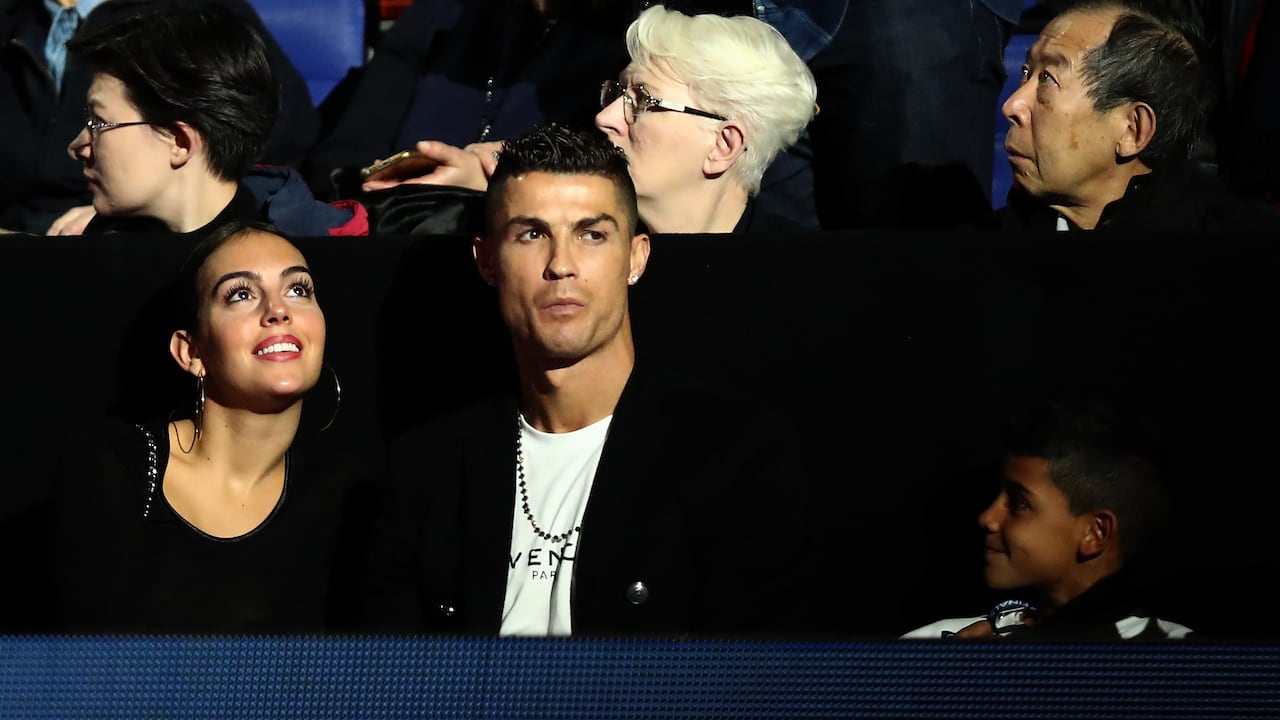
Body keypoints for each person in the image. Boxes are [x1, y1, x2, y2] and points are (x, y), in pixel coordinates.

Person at [359, 122, 812, 636]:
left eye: (591, 234)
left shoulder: (732, 454)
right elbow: (388, 684)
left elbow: (746, 686)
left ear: (636, 257)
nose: (562, 265)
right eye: (532, 234)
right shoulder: (429, 466)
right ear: (487, 260)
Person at [49, 220, 375, 633]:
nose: (278, 310)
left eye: (298, 290)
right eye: (241, 294)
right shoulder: (114, 470)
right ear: (191, 352)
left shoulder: (352, 497)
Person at [0, 0, 323, 236]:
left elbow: (266, 128)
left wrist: (133, 214)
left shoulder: (195, 18)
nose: (77, 146)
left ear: (180, 141)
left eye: (97, 122)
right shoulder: (14, 19)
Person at [901, 397, 1194, 640]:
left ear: (1095, 533)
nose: (987, 517)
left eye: (1019, 503)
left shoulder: (1183, 662)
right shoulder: (944, 644)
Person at [301, 0, 637, 203]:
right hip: (392, 235)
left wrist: (493, 184)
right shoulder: (445, 14)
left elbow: (622, 181)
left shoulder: (637, 41)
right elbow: (339, 160)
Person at [996, 0, 1280, 231]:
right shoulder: (979, 257)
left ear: (1133, 130)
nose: (1012, 106)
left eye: (1048, 78)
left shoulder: (1242, 268)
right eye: (1026, 73)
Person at [594, 3, 818, 233]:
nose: (604, 117)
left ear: (724, 146)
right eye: (618, 93)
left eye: (642, 101)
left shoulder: (803, 265)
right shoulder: (581, 258)